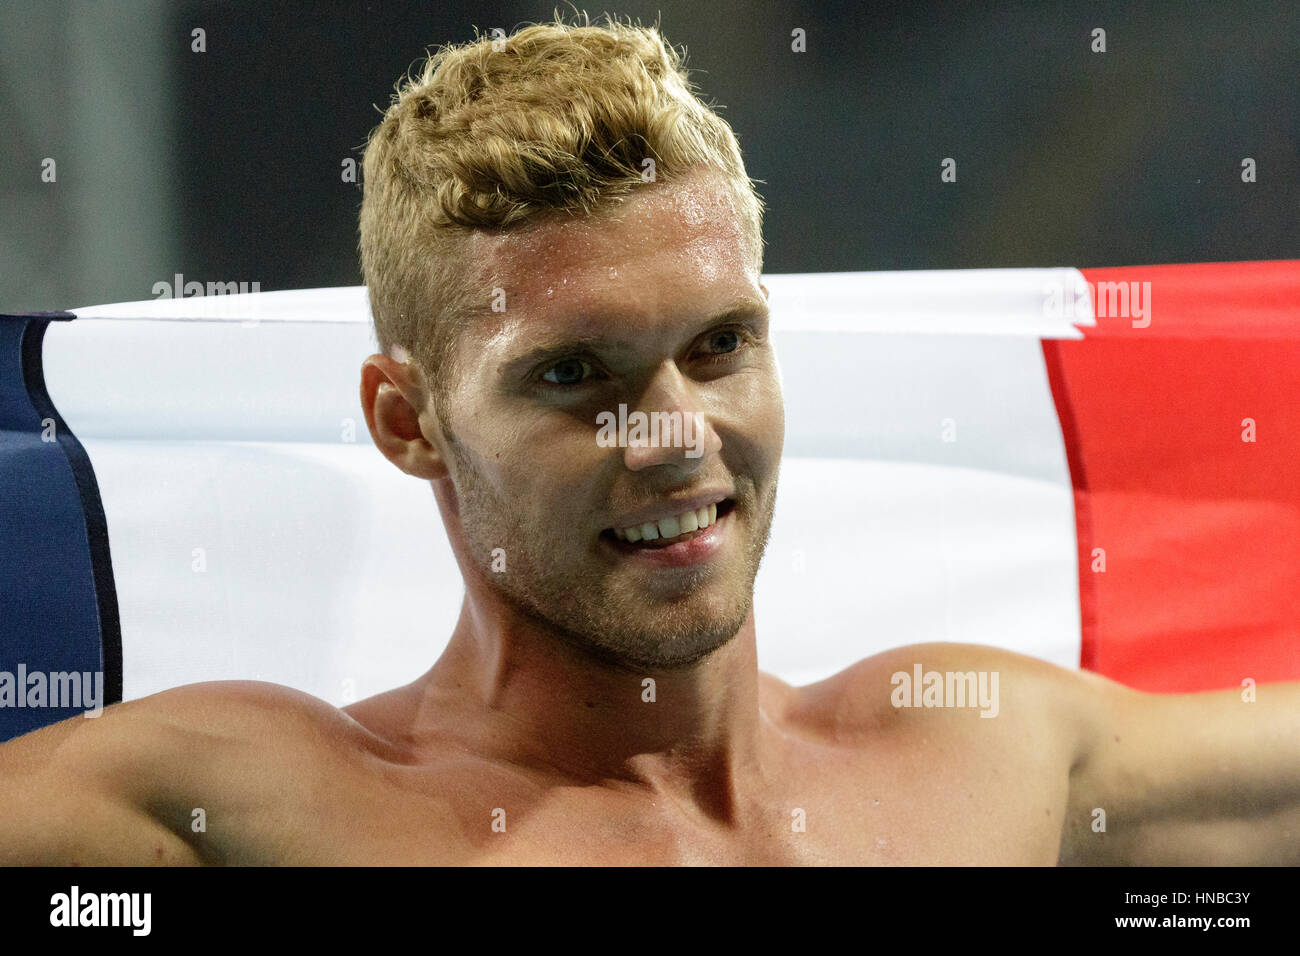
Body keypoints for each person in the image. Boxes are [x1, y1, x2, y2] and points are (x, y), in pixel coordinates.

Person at [2, 15, 1298, 866]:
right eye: (573, 376)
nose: (675, 433)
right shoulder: (251, 807)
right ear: (409, 424)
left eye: (722, 345)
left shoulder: (983, 758)